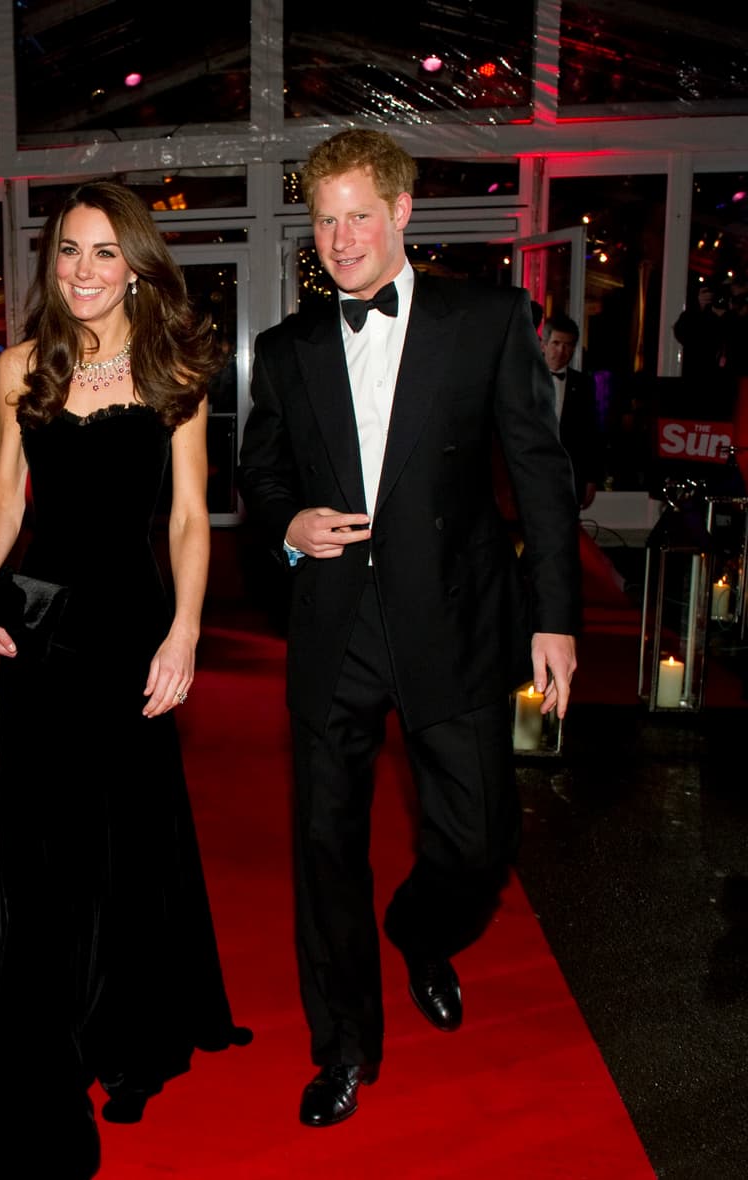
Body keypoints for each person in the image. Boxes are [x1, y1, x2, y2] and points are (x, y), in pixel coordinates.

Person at [238, 129, 580, 1129]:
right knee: (323, 846)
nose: (341, 239)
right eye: (325, 219)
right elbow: (258, 478)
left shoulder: (485, 320)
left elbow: (539, 477)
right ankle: (342, 1043)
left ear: (400, 212)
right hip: (334, 626)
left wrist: (553, 619)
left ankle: (420, 928)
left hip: (456, 618)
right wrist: (286, 524)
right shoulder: (287, 348)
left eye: (358, 214)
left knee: (477, 842)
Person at [0, 180, 249, 1178]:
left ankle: (124, 1034)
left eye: (101, 253)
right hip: (38, 630)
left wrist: (184, 633)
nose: (81, 271)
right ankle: (44, 1049)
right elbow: (4, 496)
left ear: (135, 263)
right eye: (67, 252)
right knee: (41, 850)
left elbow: (184, 517)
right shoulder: (16, 367)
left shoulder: (175, 371)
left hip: (129, 629)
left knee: (126, 833)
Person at [541, 313, 604, 509]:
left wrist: (591, 479)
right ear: (544, 345)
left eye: (568, 345)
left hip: (569, 478)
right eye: (556, 343)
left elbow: (591, 433)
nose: (561, 350)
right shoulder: (524, 380)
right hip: (531, 474)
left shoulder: (583, 384)